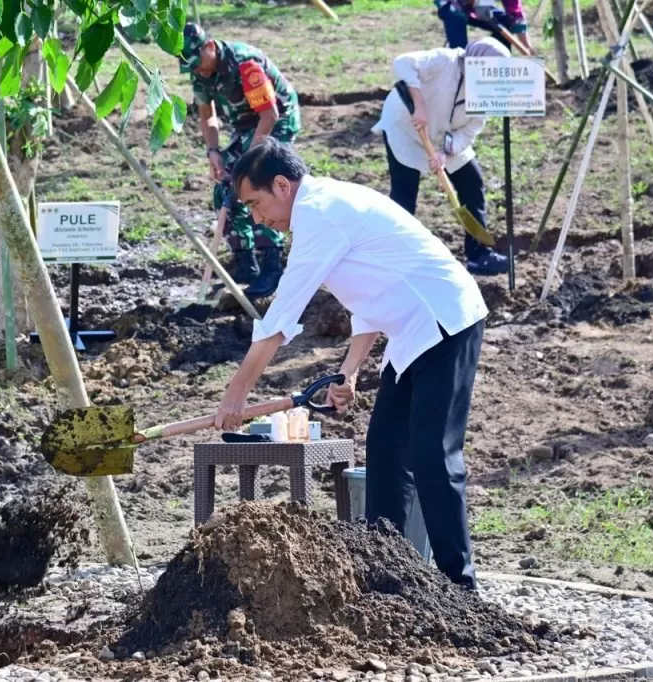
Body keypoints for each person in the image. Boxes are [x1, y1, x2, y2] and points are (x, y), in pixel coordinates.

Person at [214, 138, 487, 589]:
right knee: (386, 451)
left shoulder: (319, 213)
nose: (258, 219)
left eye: (255, 204)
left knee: (433, 453)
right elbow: (369, 300)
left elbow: (280, 318)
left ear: (281, 185)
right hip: (411, 330)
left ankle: (460, 586)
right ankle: (388, 577)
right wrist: (349, 371)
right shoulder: (324, 209)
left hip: (445, 319)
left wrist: (236, 393)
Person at [176, 22, 301, 298]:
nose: (197, 71)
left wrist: (249, 164)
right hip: (246, 125)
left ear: (210, 46)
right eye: (191, 67)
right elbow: (207, 115)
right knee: (226, 187)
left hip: (277, 120)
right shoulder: (200, 70)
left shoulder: (246, 65)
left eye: (198, 63)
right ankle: (246, 264)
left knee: (259, 183)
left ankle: (272, 264)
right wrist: (213, 152)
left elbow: (269, 116)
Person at [371, 37, 511, 276]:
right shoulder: (445, 61)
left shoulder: (487, 90)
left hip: (445, 139)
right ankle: (393, 257)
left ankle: (479, 255)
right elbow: (403, 63)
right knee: (405, 194)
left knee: (472, 183)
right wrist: (419, 104)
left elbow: (469, 130)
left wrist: (446, 152)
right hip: (406, 129)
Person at [436, 0, 532, 50]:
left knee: (505, 20)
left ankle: (497, 62)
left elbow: (514, 11)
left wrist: (526, 45)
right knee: (456, 16)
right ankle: (460, 68)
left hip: (480, 7)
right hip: (453, 5)